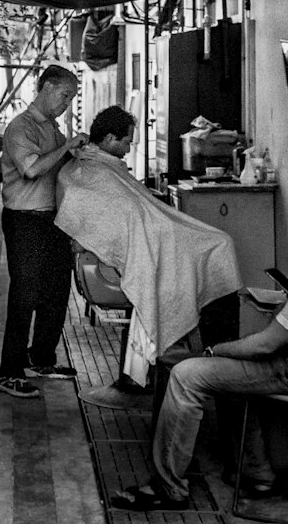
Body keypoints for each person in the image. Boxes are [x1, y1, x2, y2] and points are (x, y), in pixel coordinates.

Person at [110, 175, 288, 513]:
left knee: (188, 374)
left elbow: (262, 348)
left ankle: (168, 487)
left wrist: (215, 350)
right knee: (228, 378)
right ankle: (256, 473)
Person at [56, 107, 242, 386]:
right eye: (126, 141)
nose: (130, 148)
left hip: (156, 240)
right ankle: (215, 363)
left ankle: (204, 354)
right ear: (108, 138)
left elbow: (136, 215)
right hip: (134, 255)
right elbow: (131, 222)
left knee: (217, 245)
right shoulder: (95, 171)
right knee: (219, 246)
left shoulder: (96, 166)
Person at [0, 64, 88, 399]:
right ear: (47, 87)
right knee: (25, 294)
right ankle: (9, 370)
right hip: (24, 220)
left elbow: (61, 169)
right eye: (65, 95)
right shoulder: (21, 127)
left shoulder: (54, 129)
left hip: (52, 220)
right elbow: (33, 169)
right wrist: (66, 148)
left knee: (56, 292)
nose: (67, 103)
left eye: (72, 98)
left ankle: (41, 357)